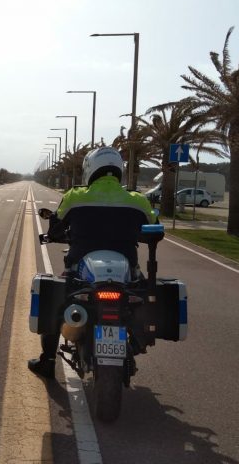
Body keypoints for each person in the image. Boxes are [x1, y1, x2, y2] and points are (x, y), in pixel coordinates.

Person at [28, 146, 157, 379]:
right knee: (142, 298)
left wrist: (58, 233)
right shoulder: (137, 200)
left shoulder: (76, 197)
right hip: (127, 270)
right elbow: (154, 228)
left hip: (81, 268)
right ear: (119, 170)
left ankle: (48, 361)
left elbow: (56, 226)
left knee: (56, 302)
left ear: (90, 170)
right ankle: (137, 340)